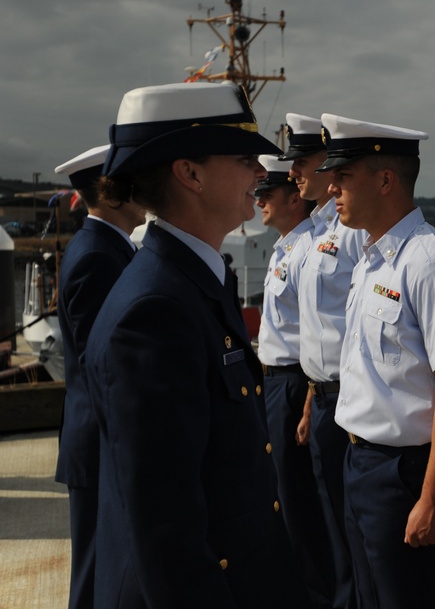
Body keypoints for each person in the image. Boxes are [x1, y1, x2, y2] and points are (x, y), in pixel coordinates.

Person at [85, 81, 308, 608]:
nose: (260, 173)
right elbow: (165, 526)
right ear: (190, 173)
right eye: (244, 158)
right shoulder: (155, 312)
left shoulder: (192, 281)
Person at [321, 113, 435, 609]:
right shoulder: (372, 258)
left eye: (343, 177)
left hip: (406, 475)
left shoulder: (433, 265)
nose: (331, 190)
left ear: (386, 180)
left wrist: (432, 498)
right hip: (361, 462)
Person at [53, 144, 146, 609]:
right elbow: (102, 362)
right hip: (98, 443)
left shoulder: (105, 248)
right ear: (110, 192)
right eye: (132, 180)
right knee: (94, 578)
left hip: (97, 439)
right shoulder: (97, 256)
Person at [283, 111, 364, 609]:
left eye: (302, 162)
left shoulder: (352, 231)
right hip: (321, 395)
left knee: (347, 526)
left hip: (347, 398)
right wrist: (312, 397)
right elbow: (319, 328)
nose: (293, 174)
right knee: (329, 520)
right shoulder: (312, 229)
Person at [255, 153, 334, 608]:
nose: (260, 200)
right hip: (274, 383)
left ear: (292, 198)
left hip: (291, 383)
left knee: (298, 499)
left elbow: (313, 334)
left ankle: (314, 593)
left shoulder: (307, 248)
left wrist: (305, 398)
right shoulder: (287, 246)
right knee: (282, 493)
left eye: (268, 193)